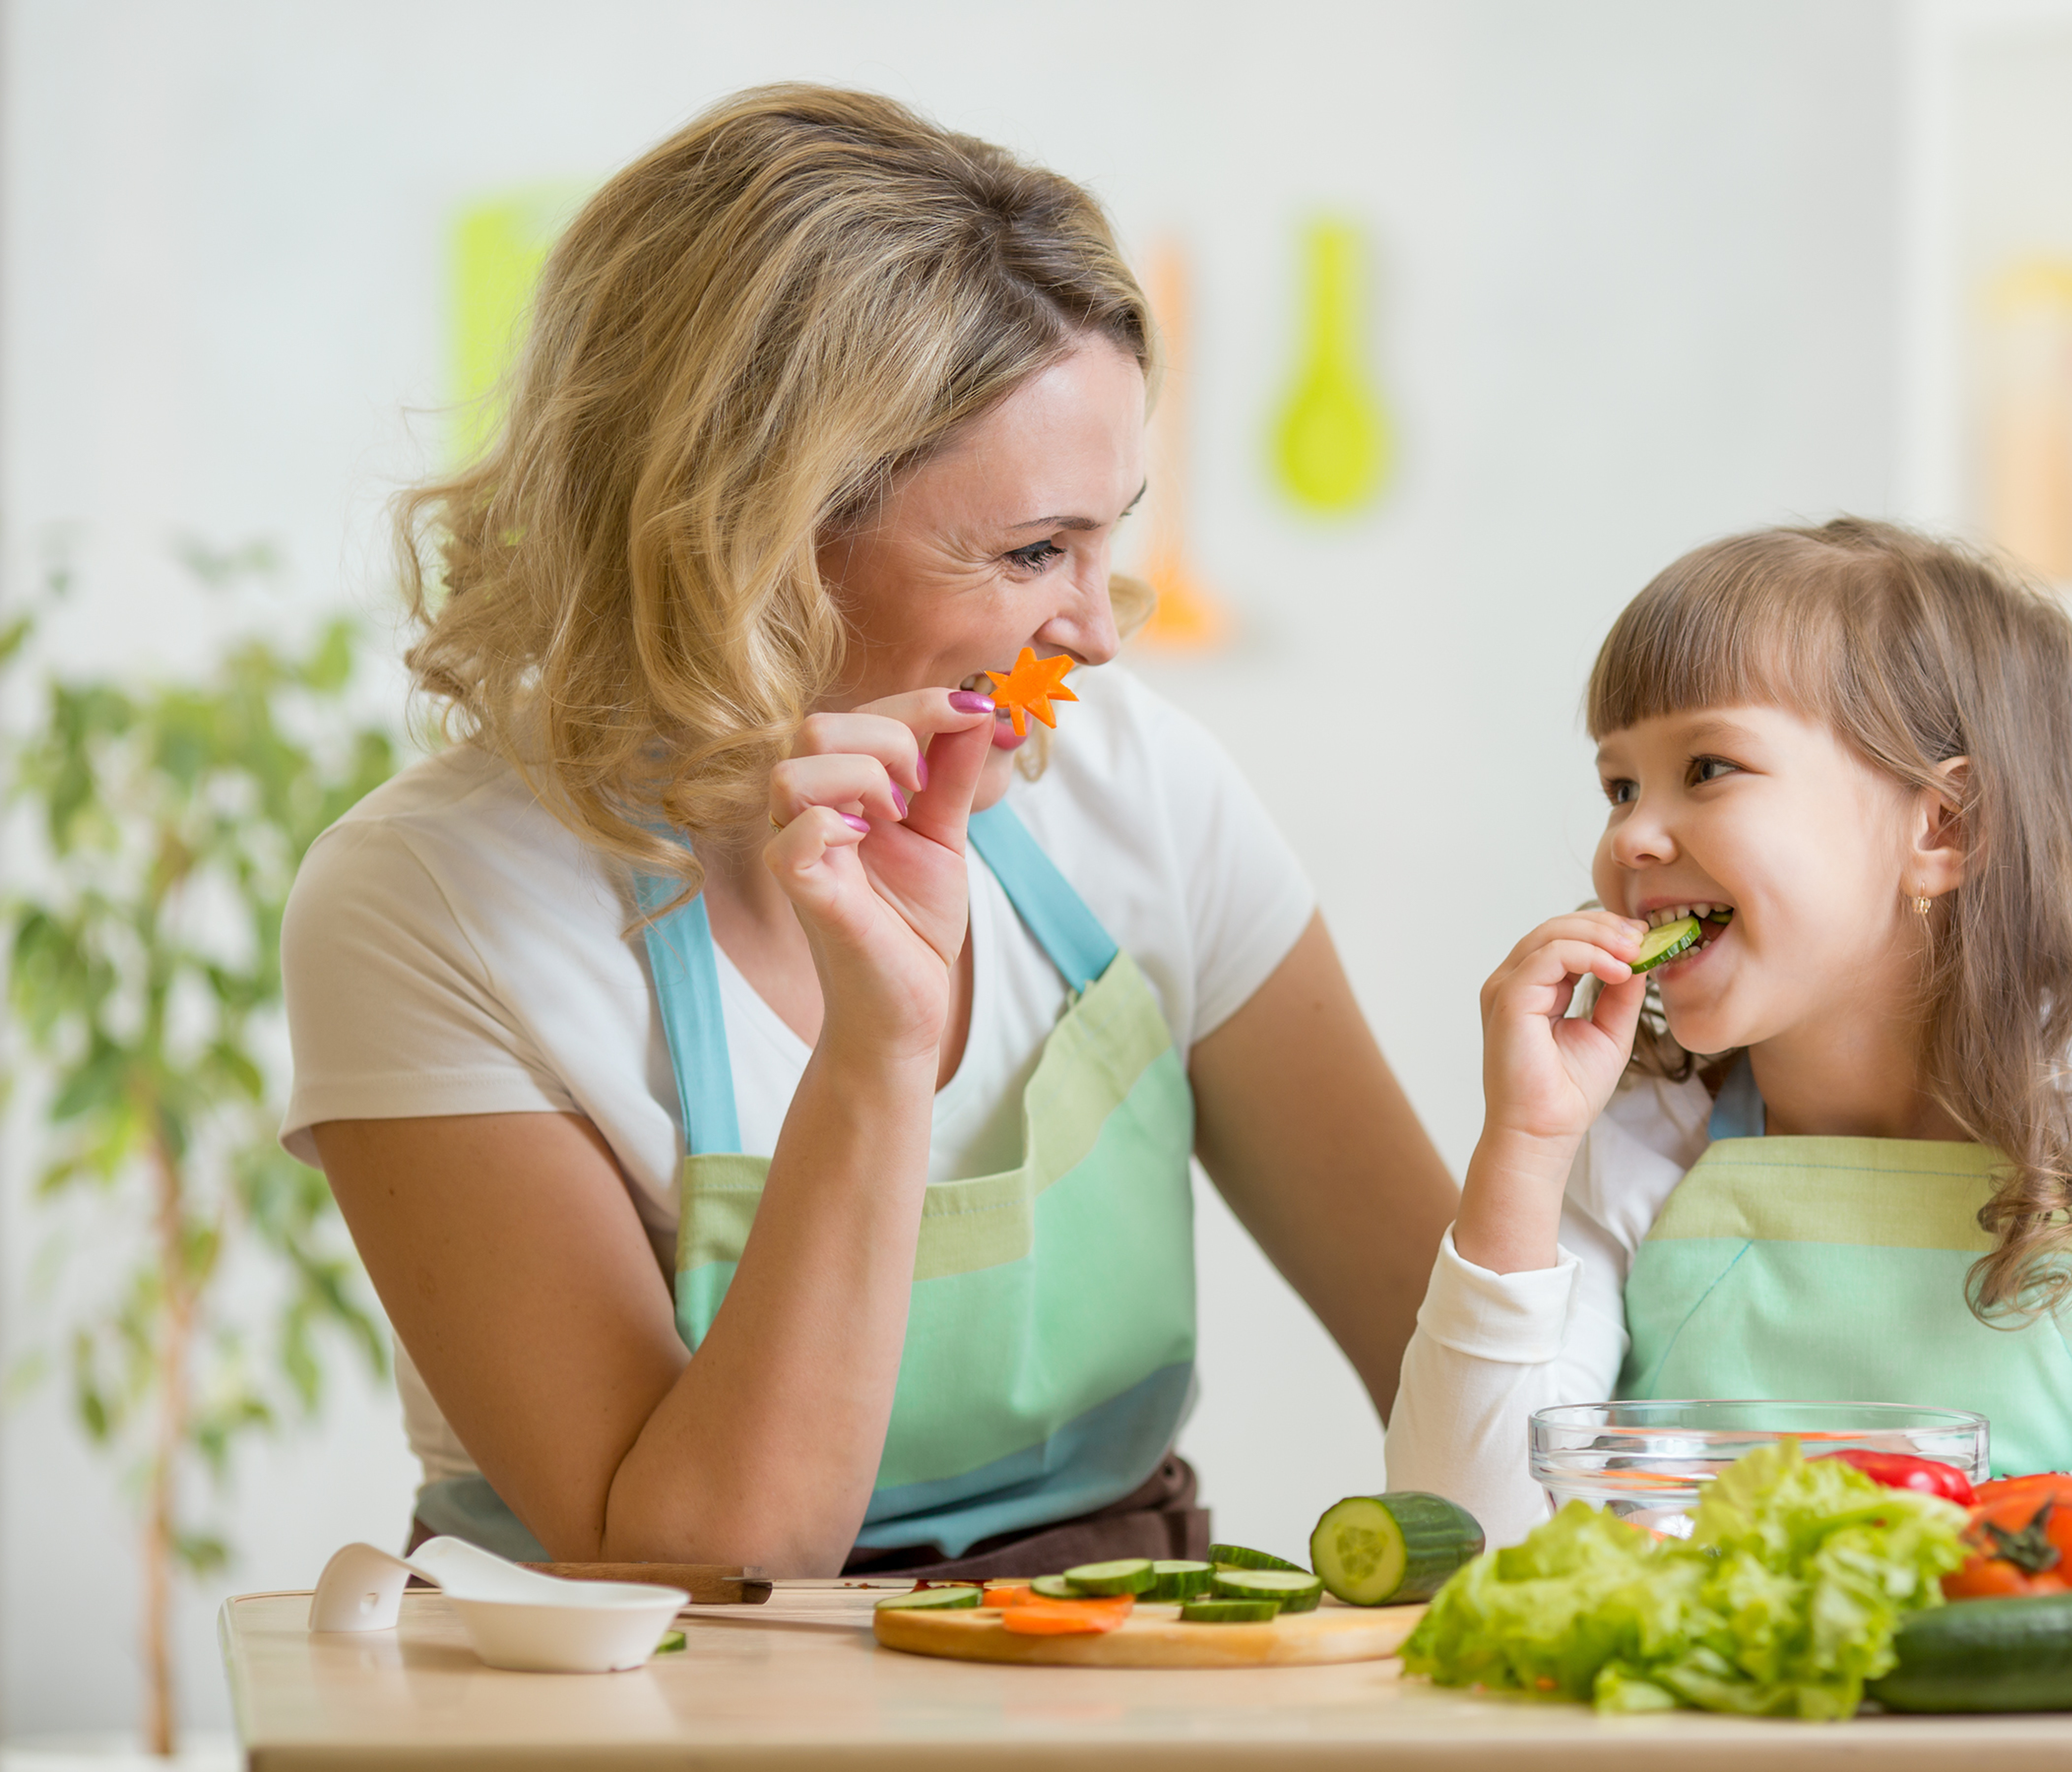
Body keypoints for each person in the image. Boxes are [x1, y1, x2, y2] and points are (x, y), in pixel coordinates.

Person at [282, 85, 1457, 1579]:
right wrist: (876, 1054)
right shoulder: (430, 902)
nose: (1097, 635)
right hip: (654, 1690)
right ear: (751, 536)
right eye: (1035, 552)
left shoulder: (1138, 786)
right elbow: (694, 1563)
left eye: (1111, 537)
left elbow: (1452, 1367)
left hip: (1098, 1658)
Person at [1384, 519, 2072, 1550]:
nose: (1631, 837)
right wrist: (1525, 1146)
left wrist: (1921, 1528)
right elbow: (1464, 1525)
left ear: (1942, 829)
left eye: (1709, 768)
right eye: (1620, 785)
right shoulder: (1643, 1127)